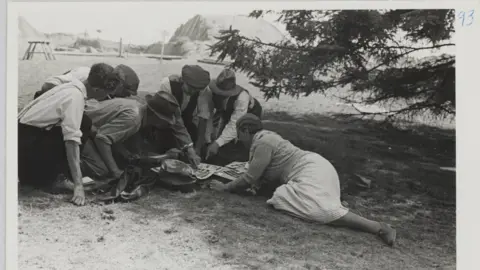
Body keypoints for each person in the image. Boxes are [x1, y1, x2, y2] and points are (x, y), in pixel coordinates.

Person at [210, 114, 397, 246]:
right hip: (314, 167)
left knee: (311, 208)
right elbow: (259, 176)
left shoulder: (263, 142)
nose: (239, 138)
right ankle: (346, 211)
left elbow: (250, 178)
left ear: (245, 130)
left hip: (311, 170)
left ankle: (379, 227)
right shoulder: (265, 138)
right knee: (305, 202)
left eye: (239, 133)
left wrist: (224, 188)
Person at [18, 63, 116, 206]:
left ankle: (42, 176)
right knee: (81, 126)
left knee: (84, 121)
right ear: (96, 89)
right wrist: (78, 185)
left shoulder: (72, 85)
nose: (106, 96)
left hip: (22, 139)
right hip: (26, 147)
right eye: (105, 92)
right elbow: (72, 142)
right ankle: (51, 179)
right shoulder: (75, 97)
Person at [80, 90, 201, 180]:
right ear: (156, 117)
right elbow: (102, 139)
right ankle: (65, 167)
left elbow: (111, 136)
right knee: (101, 170)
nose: (167, 125)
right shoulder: (134, 119)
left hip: (91, 127)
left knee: (120, 160)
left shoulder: (138, 108)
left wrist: (125, 154)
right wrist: (115, 171)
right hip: (80, 127)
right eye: (166, 121)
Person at [199, 69, 262, 165]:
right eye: (218, 92)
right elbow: (207, 115)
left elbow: (234, 124)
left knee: (244, 137)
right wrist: (208, 140)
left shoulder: (242, 98)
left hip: (250, 112)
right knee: (220, 138)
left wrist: (217, 143)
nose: (220, 95)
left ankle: (246, 161)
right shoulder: (209, 91)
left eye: (224, 94)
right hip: (227, 111)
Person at [156, 65, 212, 149]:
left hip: (187, 121)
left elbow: (203, 118)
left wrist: (197, 148)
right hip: (166, 120)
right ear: (182, 80)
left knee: (193, 135)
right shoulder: (167, 85)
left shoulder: (204, 89)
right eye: (191, 88)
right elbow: (170, 117)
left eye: (196, 90)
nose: (193, 92)